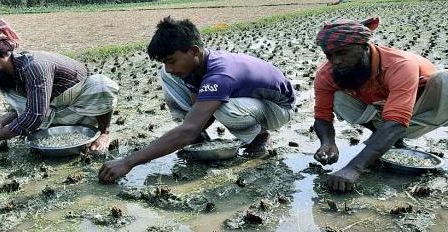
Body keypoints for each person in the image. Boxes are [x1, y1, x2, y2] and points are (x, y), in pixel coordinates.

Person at [98, 16, 295, 183]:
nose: (169, 67)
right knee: (171, 78)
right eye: (166, 62)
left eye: (172, 61)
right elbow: (197, 107)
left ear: (193, 51)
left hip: (278, 108)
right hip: (250, 100)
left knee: (222, 107)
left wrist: (128, 161)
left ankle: (259, 136)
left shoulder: (220, 75)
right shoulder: (195, 66)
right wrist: (193, 129)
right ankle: (199, 137)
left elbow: (190, 127)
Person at [312, 17, 448, 192]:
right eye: (329, 55)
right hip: (383, 112)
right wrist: (327, 142)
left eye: (342, 53)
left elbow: (396, 122)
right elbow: (322, 116)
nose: (335, 61)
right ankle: (386, 139)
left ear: (364, 47)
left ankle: (389, 138)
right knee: (338, 96)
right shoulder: (327, 73)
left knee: (445, 80)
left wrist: (354, 167)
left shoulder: (400, 65)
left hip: (423, 110)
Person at [0, 19, 119, 151]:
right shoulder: (6, 74)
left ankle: (104, 132)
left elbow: (34, 115)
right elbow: (21, 107)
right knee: (29, 116)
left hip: (79, 103)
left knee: (101, 86)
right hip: (53, 110)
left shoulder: (34, 67)